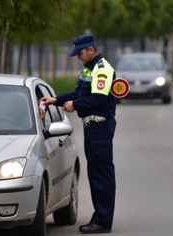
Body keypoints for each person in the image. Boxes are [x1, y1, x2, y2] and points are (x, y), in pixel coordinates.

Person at [41, 34, 117, 234]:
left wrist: (75, 105)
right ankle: (100, 217)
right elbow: (79, 94)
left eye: (80, 53)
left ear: (91, 49)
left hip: (100, 127)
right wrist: (55, 100)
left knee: (101, 175)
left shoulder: (102, 70)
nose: (78, 57)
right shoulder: (89, 70)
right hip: (93, 128)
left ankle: (102, 220)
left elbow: (98, 99)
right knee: (95, 173)